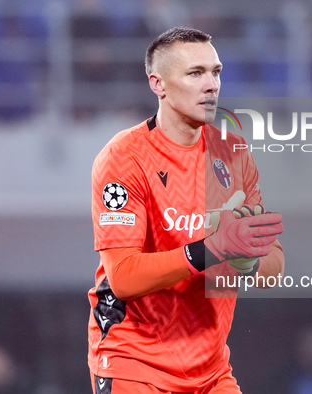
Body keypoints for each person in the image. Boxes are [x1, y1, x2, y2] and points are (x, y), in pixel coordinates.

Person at [87, 27, 285, 394]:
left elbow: (274, 264)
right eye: (196, 73)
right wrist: (213, 248)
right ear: (157, 84)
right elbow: (124, 278)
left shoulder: (232, 152)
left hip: (211, 372)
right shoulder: (124, 158)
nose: (211, 85)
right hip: (136, 364)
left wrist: (248, 260)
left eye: (216, 72)